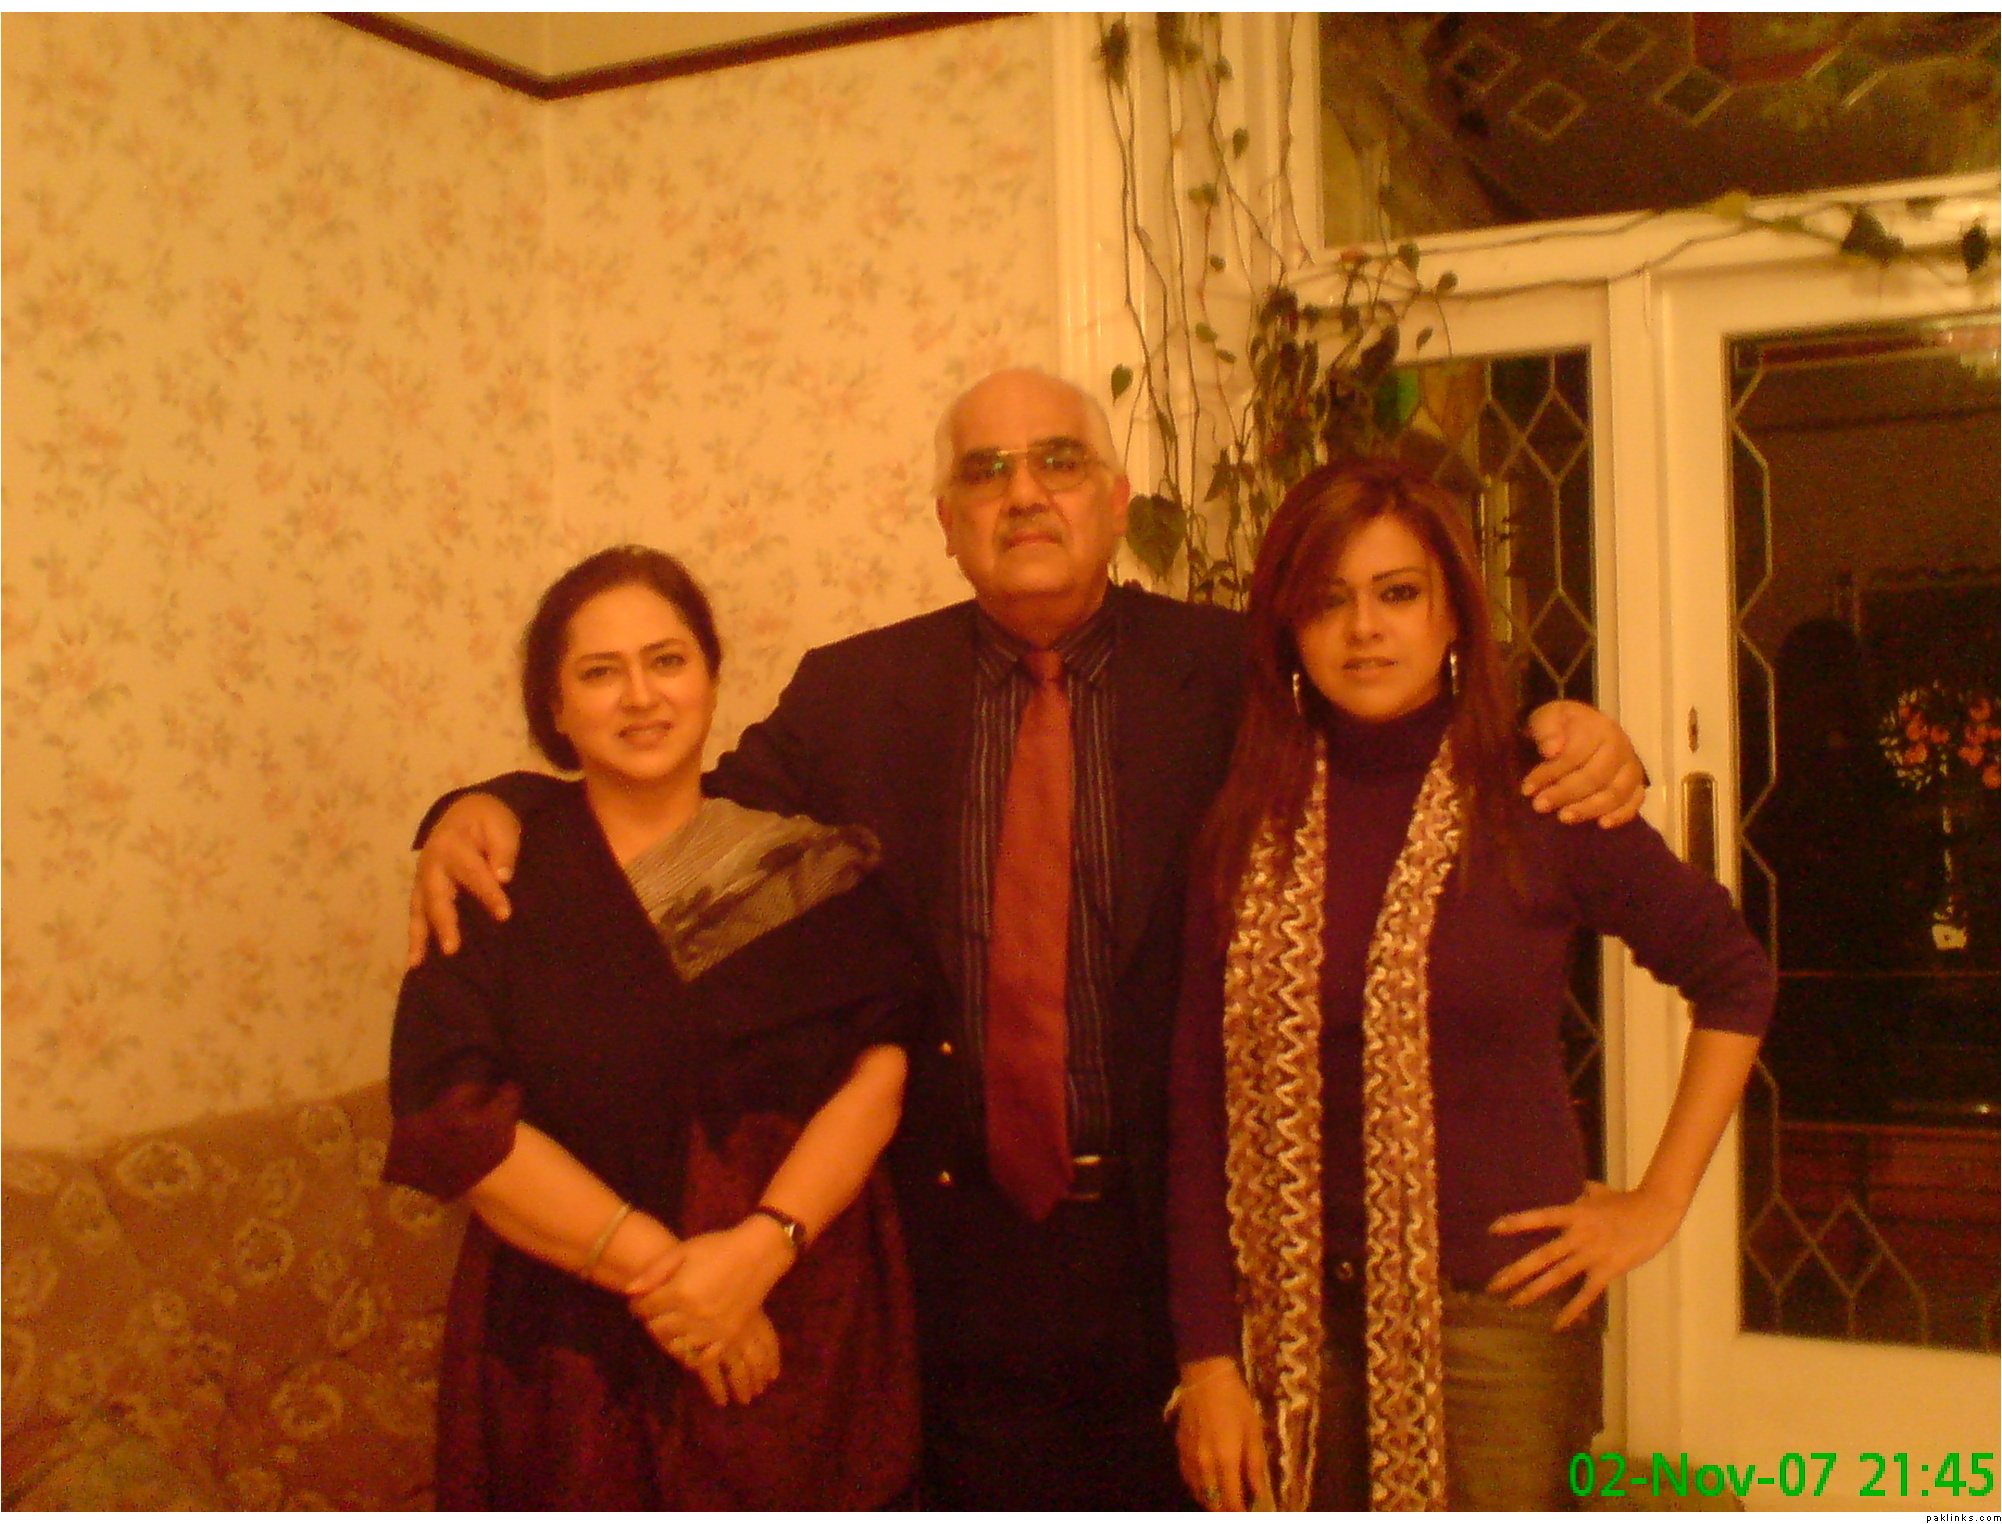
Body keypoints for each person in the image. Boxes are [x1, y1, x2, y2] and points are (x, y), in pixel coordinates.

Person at [403, 370, 1648, 1508]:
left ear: (1114, 501)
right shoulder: (854, 695)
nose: (1024, 494)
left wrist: (1560, 730)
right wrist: (483, 806)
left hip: (1182, 1249)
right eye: (985, 472)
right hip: (953, 1258)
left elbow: (1401, 731)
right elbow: (677, 806)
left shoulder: (1235, 674)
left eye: (1057, 462)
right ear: (946, 522)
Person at [1166, 459, 1774, 1512]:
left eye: (1397, 593)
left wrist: (1657, 1203)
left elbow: (1735, 977)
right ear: (1289, 629)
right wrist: (1208, 1359)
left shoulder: (1536, 795)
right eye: (1328, 600)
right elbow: (1195, 1098)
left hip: (1496, 1323)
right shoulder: (1247, 820)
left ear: (1452, 613)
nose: (1364, 629)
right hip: (1290, 1324)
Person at [384, 546, 923, 1510]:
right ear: (555, 706)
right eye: (601, 672)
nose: (641, 696)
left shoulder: (808, 867)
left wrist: (757, 1255)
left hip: (803, 1317)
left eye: (667, 660)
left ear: (710, 675)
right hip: (572, 1351)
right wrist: (681, 1286)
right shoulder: (491, 881)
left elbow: (880, 1073)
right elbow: (455, 1118)